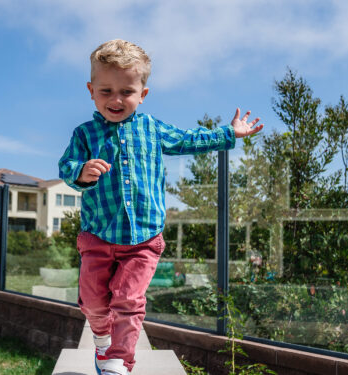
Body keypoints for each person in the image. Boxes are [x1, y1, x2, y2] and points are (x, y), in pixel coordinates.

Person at [58, 39, 264, 375]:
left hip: (143, 239)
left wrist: (230, 132)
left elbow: (188, 139)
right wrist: (80, 172)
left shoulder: (152, 129)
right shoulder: (84, 134)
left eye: (126, 91)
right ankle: (100, 338)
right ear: (91, 90)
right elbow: (66, 166)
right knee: (94, 303)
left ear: (143, 94)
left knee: (128, 301)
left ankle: (118, 362)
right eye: (106, 90)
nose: (116, 99)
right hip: (97, 237)